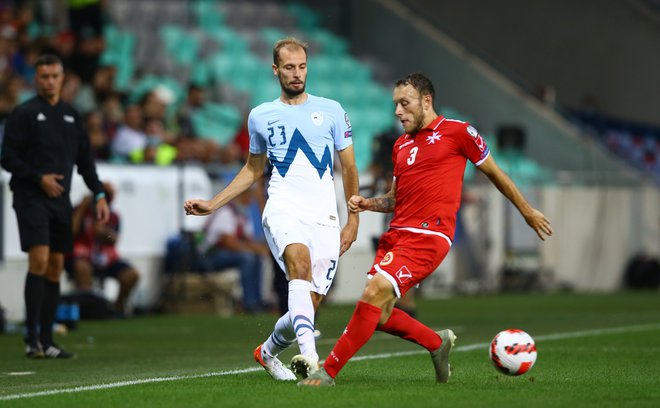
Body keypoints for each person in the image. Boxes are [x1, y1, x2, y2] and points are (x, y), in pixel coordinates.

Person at [299, 73, 553, 387]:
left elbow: (496, 174)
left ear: (426, 101)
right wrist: (367, 203)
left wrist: (527, 211)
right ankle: (436, 342)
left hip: (429, 236)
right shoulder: (401, 146)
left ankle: (329, 371)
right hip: (397, 235)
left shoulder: (459, 132)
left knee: (373, 292)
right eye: (395, 105)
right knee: (378, 314)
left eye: (405, 103)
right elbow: (395, 199)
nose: (398, 111)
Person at [184, 37, 359, 381]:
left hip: (324, 215)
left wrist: (354, 221)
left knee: (307, 305)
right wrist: (213, 203)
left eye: (302, 67)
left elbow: (350, 169)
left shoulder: (333, 111)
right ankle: (311, 362)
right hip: (283, 207)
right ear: (276, 70)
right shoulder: (260, 116)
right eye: (290, 68)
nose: (297, 74)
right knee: (299, 265)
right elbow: (253, 169)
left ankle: (266, 352)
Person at [0, 54, 110, 359]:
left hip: (60, 201)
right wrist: (39, 178)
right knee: (39, 261)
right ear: (36, 79)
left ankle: (47, 340)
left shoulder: (72, 117)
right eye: (44, 76)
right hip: (30, 198)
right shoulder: (22, 114)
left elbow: (86, 163)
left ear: (63, 79)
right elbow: (7, 157)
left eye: (54, 76)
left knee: (56, 267)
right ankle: (31, 338)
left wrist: (99, 195)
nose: (49, 81)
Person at [67, 182, 139, 315]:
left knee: (131, 275)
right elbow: (71, 232)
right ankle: (87, 309)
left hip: (106, 259)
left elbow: (114, 241)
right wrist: (82, 208)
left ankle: (118, 307)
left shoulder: (113, 216)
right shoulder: (81, 211)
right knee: (83, 268)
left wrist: (105, 233)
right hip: (82, 256)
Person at [199, 189, 270, 313]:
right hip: (210, 256)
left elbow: (247, 240)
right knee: (247, 258)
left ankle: (258, 301)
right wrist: (254, 249)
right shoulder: (226, 212)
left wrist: (260, 249)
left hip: (226, 254)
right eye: (247, 198)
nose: (249, 201)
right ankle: (249, 303)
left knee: (256, 257)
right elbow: (228, 242)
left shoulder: (242, 215)